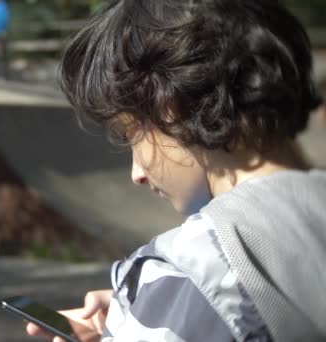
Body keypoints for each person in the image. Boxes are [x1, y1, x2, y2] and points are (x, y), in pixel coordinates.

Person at [25, 0, 326, 341]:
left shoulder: (195, 264)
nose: (136, 173)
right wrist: (154, 307)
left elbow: (215, 288)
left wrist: (164, 299)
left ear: (171, 106)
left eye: (131, 134)